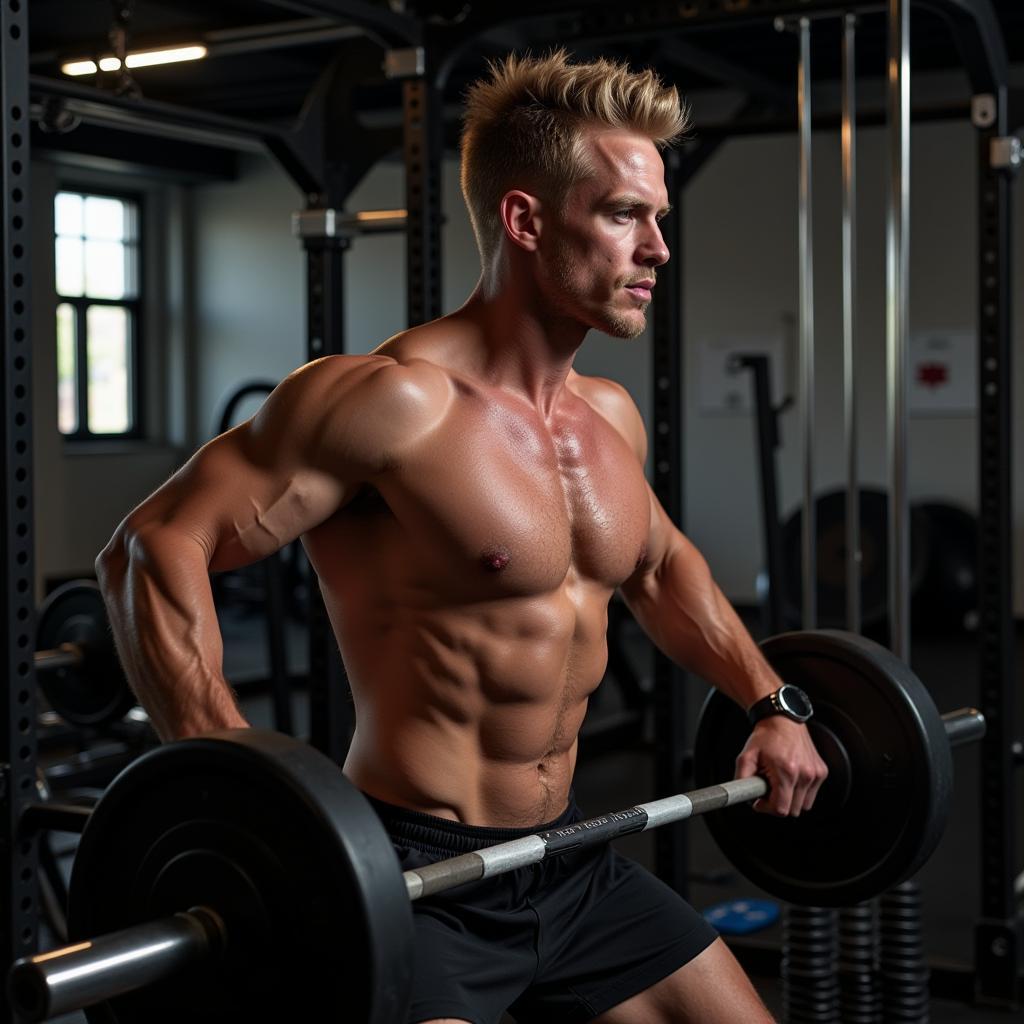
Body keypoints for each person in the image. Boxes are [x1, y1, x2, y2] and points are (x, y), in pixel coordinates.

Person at [97, 49, 827, 1024]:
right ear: (525, 220)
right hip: (414, 875)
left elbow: (656, 567)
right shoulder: (391, 404)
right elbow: (151, 548)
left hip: (563, 858)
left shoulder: (607, 416)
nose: (657, 247)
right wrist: (243, 796)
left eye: (658, 218)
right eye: (623, 215)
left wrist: (768, 699)